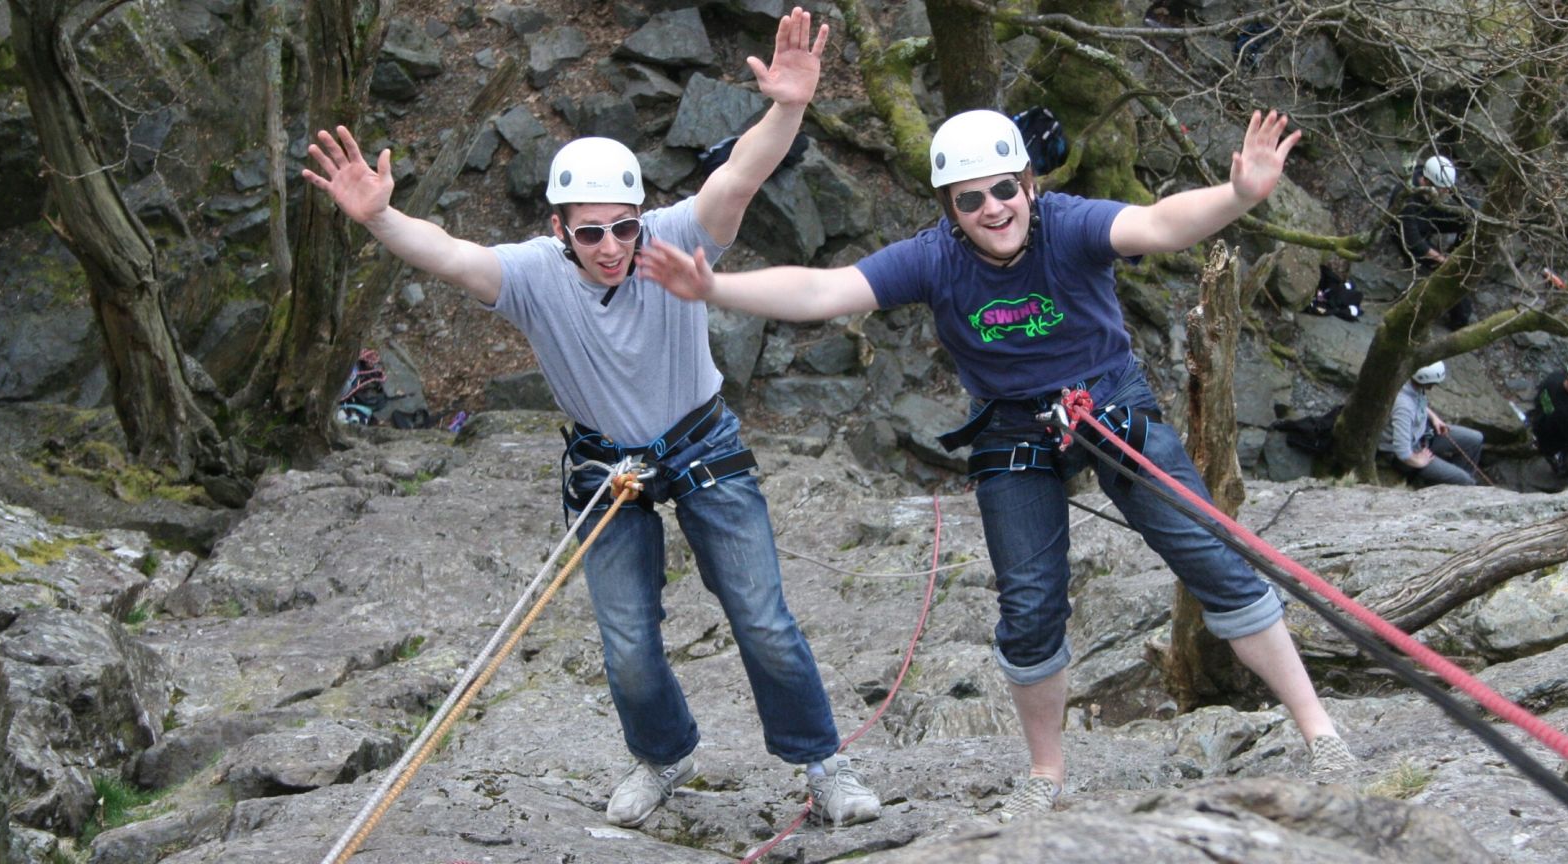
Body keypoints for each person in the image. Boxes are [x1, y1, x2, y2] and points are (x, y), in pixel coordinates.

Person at [638, 107, 1357, 821]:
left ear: (1029, 184)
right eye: (971, 198)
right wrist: (715, 290)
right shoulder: (934, 258)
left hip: (1106, 403)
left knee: (1208, 553)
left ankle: (1319, 731)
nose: (993, 208)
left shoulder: (1070, 226)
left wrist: (1237, 196)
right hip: (1014, 427)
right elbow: (828, 290)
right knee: (1030, 602)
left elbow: (1157, 225)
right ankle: (1046, 771)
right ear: (951, 208)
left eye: (1005, 189)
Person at [301, 8, 882, 830]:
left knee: (761, 615)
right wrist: (380, 218)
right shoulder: (534, 276)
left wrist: (786, 108)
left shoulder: (675, 238)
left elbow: (737, 179)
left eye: (623, 226)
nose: (612, 247)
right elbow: (450, 253)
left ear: (642, 216)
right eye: (591, 233)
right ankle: (664, 753)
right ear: (558, 230)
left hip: (701, 441)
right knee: (628, 643)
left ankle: (821, 759)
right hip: (604, 465)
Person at [1395, 155, 1476, 327]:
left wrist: (1474, 213)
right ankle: (1459, 320)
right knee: (1451, 276)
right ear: (1425, 182)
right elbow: (1414, 242)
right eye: (1442, 189)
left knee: (1468, 219)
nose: (1446, 192)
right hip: (1408, 236)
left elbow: (1467, 203)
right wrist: (1444, 262)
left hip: (1430, 215)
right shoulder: (1406, 200)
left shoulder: (1434, 176)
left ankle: (1458, 252)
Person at [1379, 361, 1484, 485]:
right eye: (1433, 383)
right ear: (1427, 382)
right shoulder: (1403, 406)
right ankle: (1462, 484)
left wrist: (1434, 418)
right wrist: (1418, 461)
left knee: (1475, 439)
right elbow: (1402, 451)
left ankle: (1455, 482)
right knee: (1464, 480)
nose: (1434, 386)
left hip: (1422, 435)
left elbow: (1416, 404)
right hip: (1409, 453)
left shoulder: (1409, 383)